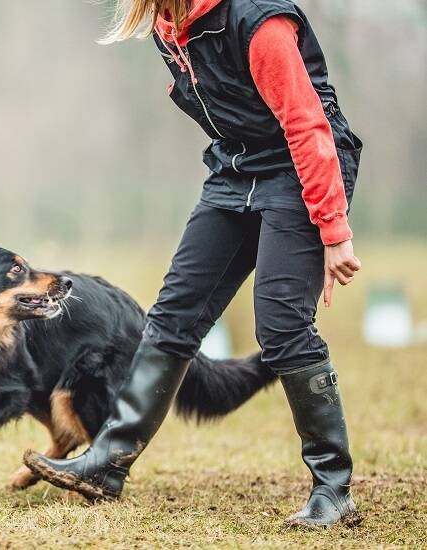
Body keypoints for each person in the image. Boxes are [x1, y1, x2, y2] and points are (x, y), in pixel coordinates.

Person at [23, 0, 363, 528]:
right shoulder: (168, 24)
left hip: (301, 172)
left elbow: (307, 124)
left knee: (282, 327)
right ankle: (105, 465)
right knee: (173, 316)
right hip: (236, 169)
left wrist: (333, 229)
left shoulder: (260, 23)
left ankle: (332, 489)